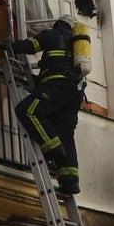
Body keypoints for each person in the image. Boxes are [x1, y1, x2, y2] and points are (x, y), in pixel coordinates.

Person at [12, 15, 88, 195]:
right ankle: (70, 181)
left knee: (28, 111)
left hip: (56, 87)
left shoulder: (53, 35)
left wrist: (8, 44)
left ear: (58, 25)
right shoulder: (78, 48)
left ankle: (52, 149)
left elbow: (30, 46)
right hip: (75, 94)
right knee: (66, 133)